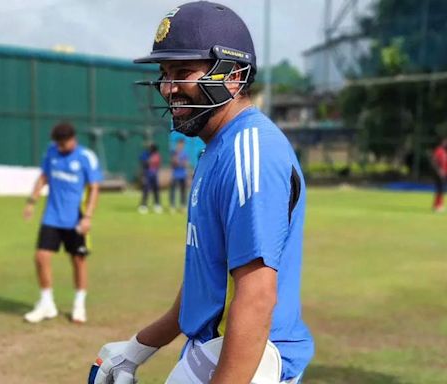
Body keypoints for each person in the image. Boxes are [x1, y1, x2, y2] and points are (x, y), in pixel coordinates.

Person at [89, 2, 313, 383]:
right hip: (212, 351)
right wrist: (137, 348)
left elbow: (256, 295)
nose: (168, 88)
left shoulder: (250, 152)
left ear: (234, 76)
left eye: (182, 72)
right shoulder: (219, 145)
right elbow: (205, 281)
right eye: (163, 74)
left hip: (246, 360)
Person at [23, 122, 103, 323]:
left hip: (76, 217)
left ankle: (79, 305)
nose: (60, 148)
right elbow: (43, 177)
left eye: (63, 144)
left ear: (73, 139)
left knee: (78, 261)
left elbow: (94, 188)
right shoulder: (52, 152)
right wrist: (32, 201)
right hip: (52, 216)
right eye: (57, 144)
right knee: (41, 257)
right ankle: (47, 304)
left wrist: (88, 217)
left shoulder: (86, 157)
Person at [138, 143, 163, 214]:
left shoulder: (157, 155)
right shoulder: (146, 154)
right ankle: (143, 205)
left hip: (154, 175)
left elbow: (158, 164)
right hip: (147, 175)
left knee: (156, 190)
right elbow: (143, 161)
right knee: (146, 190)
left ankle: (157, 205)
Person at [170, 138, 189, 212]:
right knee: (173, 191)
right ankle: (172, 206)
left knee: (183, 191)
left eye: (182, 144)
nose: (181, 145)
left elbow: (185, 164)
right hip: (175, 175)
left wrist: (180, 162)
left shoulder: (185, 153)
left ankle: (183, 206)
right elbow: (174, 163)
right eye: (179, 144)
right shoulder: (174, 153)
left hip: (183, 175)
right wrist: (177, 161)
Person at [431, 138, 447, 212]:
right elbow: (434, 161)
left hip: (443, 173)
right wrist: (439, 170)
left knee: (441, 189)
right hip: (439, 173)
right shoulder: (439, 150)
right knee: (440, 189)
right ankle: (437, 206)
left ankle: (438, 205)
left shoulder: (444, 151)